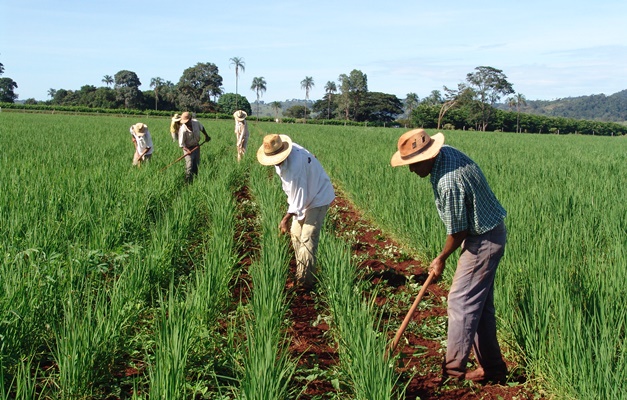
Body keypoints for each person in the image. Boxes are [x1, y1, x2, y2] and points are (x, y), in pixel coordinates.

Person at [390, 128, 508, 383]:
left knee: (461, 302)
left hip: (483, 240)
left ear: (428, 157)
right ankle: (494, 370)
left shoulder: (448, 181)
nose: (411, 170)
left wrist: (441, 257)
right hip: (487, 233)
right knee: (479, 307)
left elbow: (459, 230)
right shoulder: (447, 154)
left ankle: (452, 372)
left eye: (413, 164)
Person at [257, 134, 335, 291]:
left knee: (308, 236)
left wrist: (284, 219)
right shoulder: (285, 153)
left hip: (318, 196)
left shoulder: (295, 168)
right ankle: (304, 270)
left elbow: (298, 199)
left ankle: (304, 282)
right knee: (295, 233)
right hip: (306, 193)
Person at [178, 111, 210, 182]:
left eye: (187, 121)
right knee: (189, 165)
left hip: (196, 146)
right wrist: (187, 150)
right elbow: (181, 144)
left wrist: (206, 136)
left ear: (190, 119)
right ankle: (187, 180)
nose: (185, 123)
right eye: (184, 122)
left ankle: (195, 179)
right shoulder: (182, 130)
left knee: (196, 163)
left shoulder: (196, 123)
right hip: (187, 148)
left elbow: (202, 128)